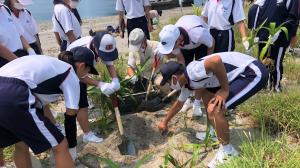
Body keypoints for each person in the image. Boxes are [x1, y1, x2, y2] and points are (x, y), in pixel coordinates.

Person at [157, 52, 269, 168]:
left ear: (174, 77)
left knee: (214, 109)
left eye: (169, 81)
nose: (170, 85)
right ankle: (214, 133)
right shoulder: (188, 82)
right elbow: (179, 104)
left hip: (252, 72)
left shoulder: (193, 72)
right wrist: (164, 122)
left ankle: (228, 152)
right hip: (242, 71)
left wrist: (225, 90)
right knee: (206, 95)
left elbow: (215, 61)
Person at [0, 46, 99, 167]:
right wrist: (71, 148)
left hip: (4, 84)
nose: (87, 75)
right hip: (13, 92)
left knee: (21, 143)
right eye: (88, 71)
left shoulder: (50, 64)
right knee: (60, 145)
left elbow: (39, 105)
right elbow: (70, 117)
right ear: (81, 66)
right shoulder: (70, 73)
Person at [158, 15, 215, 117]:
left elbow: (211, 43)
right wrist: (184, 75)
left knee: (200, 74)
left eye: (171, 48)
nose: (170, 51)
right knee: (184, 74)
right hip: (185, 46)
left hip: (201, 44)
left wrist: (207, 61)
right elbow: (181, 62)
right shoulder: (171, 38)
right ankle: (187, 100)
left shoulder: (198, 33)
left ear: (178, 40)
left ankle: (197, 103)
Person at [248, 0, 299, 92]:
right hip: (264, 35)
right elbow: (256, 10)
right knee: (262, 62)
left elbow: (293, 18)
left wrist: (280, 31)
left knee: (276, 63)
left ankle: (275, 87)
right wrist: (255, 30)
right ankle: (262, 86)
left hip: (280, 37)